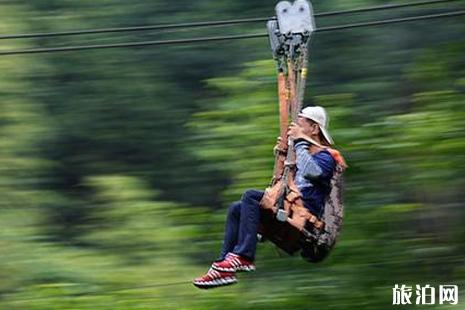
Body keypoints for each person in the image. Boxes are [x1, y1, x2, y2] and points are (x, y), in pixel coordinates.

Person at [193, 106, 337, 289]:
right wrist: (284, 154)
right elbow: (284, 180)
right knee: (236, 209)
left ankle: (244, 256)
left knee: (251, 196)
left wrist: (299, 142)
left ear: (314, 129)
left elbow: (312, 172)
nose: (296, 129)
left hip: (302, 215)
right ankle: (224, 267)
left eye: (301, 126)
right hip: (289, 206)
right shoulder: (302, 153)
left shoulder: (326, 156)